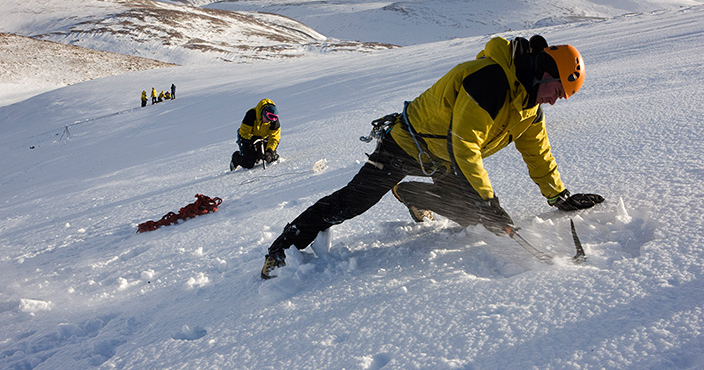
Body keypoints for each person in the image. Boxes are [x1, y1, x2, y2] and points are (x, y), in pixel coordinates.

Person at [261, 35, 604, 279]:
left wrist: (560, 197)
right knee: (353, 202)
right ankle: (282, 246)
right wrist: (488, 199)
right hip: (406, 146)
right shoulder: (491, 80)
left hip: (443, 160)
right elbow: (464, 143)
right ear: (546, 73)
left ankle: (409, 193)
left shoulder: (529, 106)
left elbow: (538, 153)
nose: (556, 101)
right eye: (558, 91)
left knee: (475, 217)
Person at [230, 99, 281, 171]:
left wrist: (270, 150)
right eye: (268, 116)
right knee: (248, 163)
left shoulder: (274, 122)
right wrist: (253, 138)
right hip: (248, 138)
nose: (269, 120)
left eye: (273, 118)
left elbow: (274, 138)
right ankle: (236, 158)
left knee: (269, 157)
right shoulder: (251, 115)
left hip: (263, 139)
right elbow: (243, 133)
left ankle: (259, 155)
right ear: (264, 112)